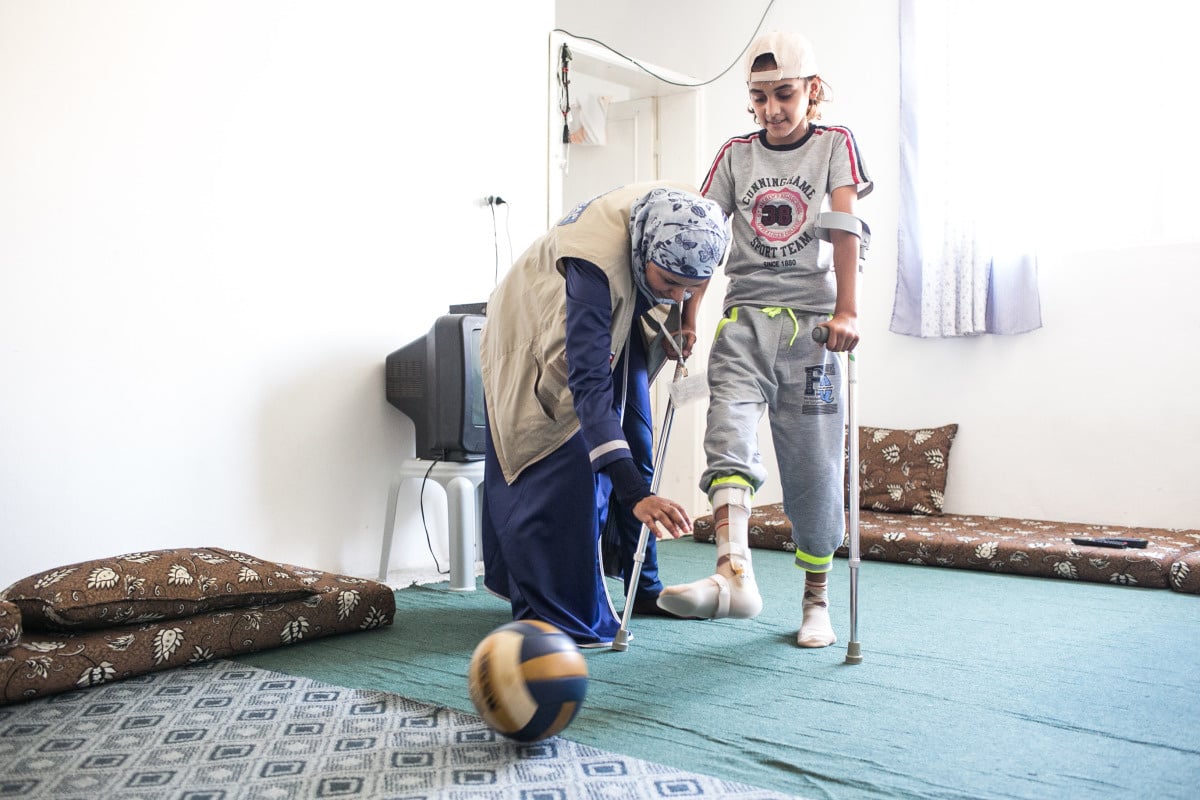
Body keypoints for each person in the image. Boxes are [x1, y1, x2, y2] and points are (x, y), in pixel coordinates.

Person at [656, 31, 873, 648]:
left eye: (784, 95)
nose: (772, 110)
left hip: (814, 333)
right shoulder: (734, 154)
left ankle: (816, 601)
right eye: (759, 97)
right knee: (726, 434)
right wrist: (688, 316)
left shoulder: (836, 145)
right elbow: (703, 237)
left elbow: (842, 224)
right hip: (744, 321)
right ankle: (734, 572)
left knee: (813, 471)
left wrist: (849, 311)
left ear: (813, 92)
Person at [479, 182, 730, 648]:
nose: (676, 296)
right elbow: (588, 388)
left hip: (621, 310)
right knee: (567, 456)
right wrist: (634, 494)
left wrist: (687, 319)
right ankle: (566, 612)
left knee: (636, 438)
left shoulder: (698, 227)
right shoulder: (594, 267)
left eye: (688, 286)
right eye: (668, 284)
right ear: (643, 252)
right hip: (537, 323)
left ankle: (645, 587)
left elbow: (694, 275)